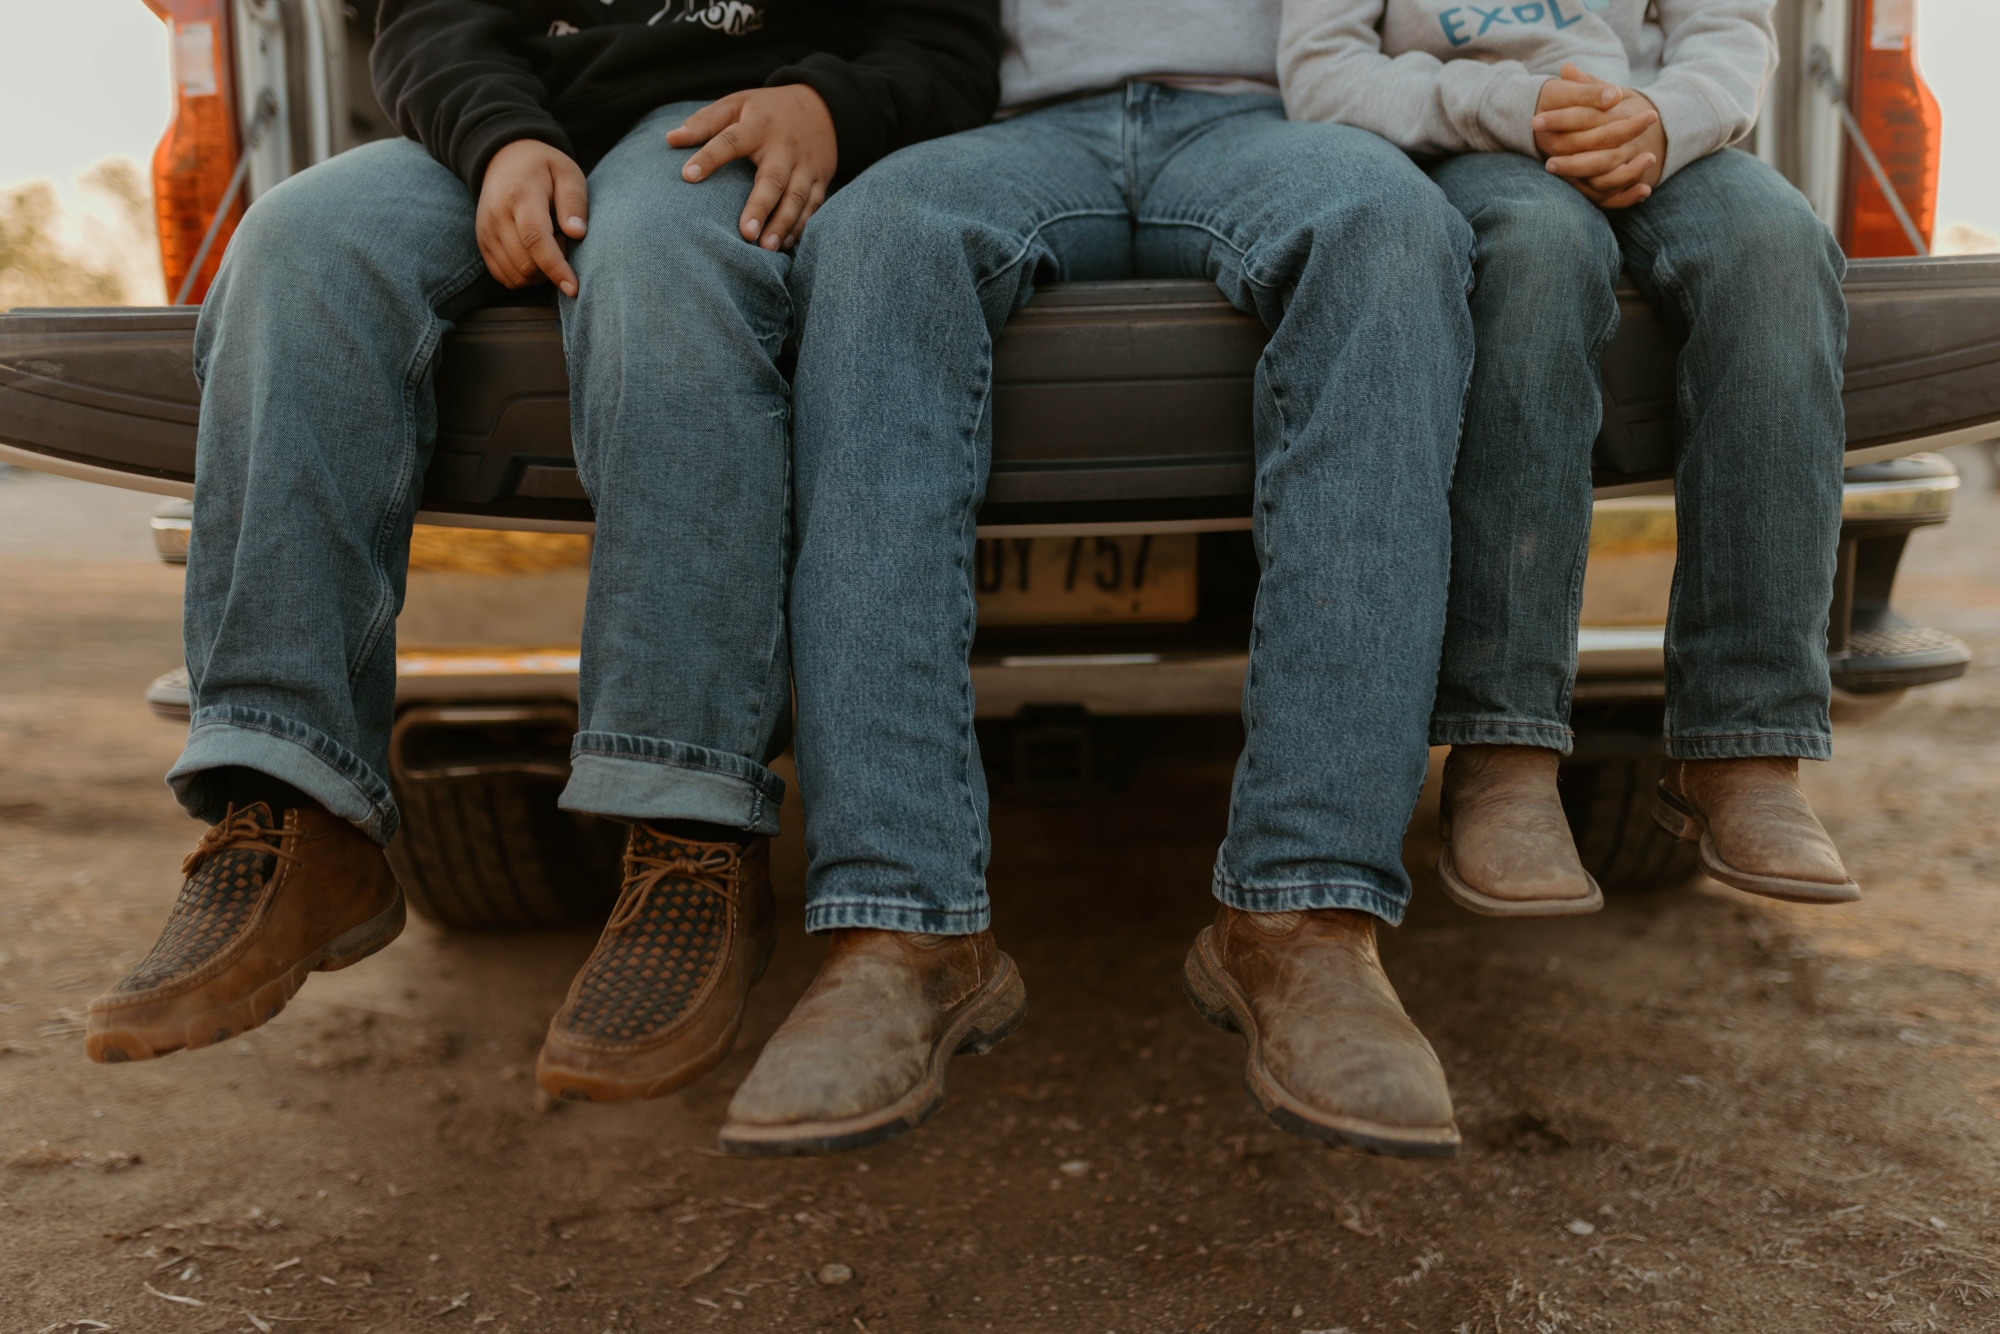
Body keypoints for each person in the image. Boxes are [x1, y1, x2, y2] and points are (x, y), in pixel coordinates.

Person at [84, 0, 1004, 1105]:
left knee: (664, 263)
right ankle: (290, 807)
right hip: (513, 130)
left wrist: (829, 106)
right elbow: (425, 24)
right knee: (294, 245)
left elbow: (948, 50)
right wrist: (499, 140)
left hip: (725, 133)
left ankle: (687, 832)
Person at [711, 0, 1478, 1160]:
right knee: (870, 239)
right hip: (1007, 126)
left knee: (1392, 226)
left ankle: (1303, 915)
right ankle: (898, 932)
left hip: (1268, 120)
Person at [1279, 1, 1858, 915]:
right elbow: (1320, 71)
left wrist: (1666, 120)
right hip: (1466, 140)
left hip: (1662, 135)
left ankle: (1748, 748)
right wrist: (1513, 105)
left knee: (1779, 247)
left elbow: (1731, 33)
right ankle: (1504, 755)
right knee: (1541, 254)